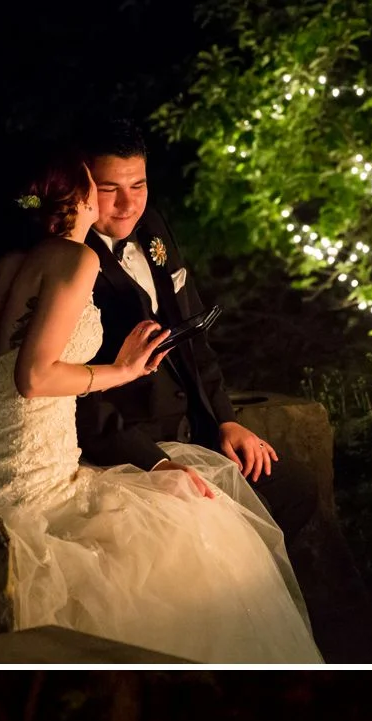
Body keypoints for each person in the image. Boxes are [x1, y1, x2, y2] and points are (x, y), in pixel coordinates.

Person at [0, 153, 318, 661]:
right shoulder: (79, 260)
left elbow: (1, 375)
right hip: (38, 468)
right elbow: (30, 378)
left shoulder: (9, 266)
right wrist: (122, 370)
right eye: (100, 189)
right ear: (82, 197)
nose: (115, 202)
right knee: (185, 536)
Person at [75, 119, 318, 553]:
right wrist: (154, 462)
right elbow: (76, 395)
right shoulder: (67, 258)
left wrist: (225, 419)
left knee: (295, 489)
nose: (128, 204)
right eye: (110, 189)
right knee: (228, 525)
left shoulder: (152, 226)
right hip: (127, 442)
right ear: (82, 183)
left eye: (139, 184)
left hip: (196, 428)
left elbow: (193, 332)